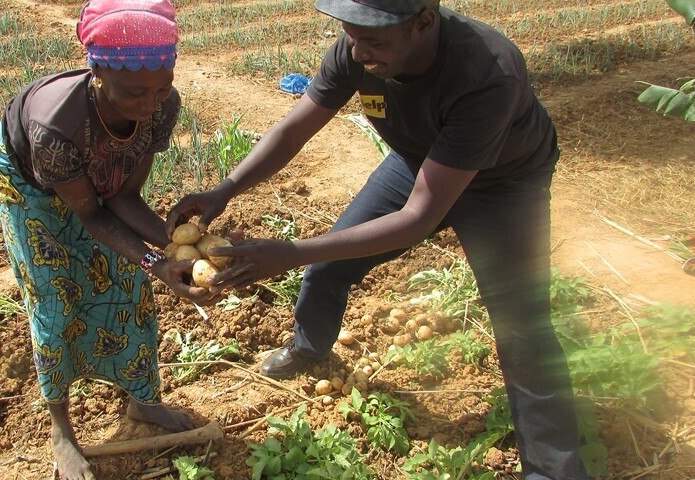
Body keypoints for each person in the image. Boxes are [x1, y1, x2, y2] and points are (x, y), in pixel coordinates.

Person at [168, 1, 588, 478]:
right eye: (352, 36)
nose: (361, 51)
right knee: (328, 264)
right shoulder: (359, 47)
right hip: (418, 161)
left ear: (424, 22)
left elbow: (417, 218)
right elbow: (293, 130)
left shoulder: (487, 71)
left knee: (522, 326)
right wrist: (225, 189)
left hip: (504, 184)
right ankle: (309, 348)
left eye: (376, 41)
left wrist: (291, 252)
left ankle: (554, 469)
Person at [0, 1, 214, 478]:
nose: (150, 103)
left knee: (129, 287)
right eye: (135, 93)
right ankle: (62, 430)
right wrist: (157, 261)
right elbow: (91, 212)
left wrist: (179, 244)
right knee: (55, 297)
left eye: (162, 88)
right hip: (32, 184)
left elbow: (124, 196)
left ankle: (143, 401)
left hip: (92, 188)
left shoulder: (160, 106)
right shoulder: (56, 126)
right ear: (97, 73)